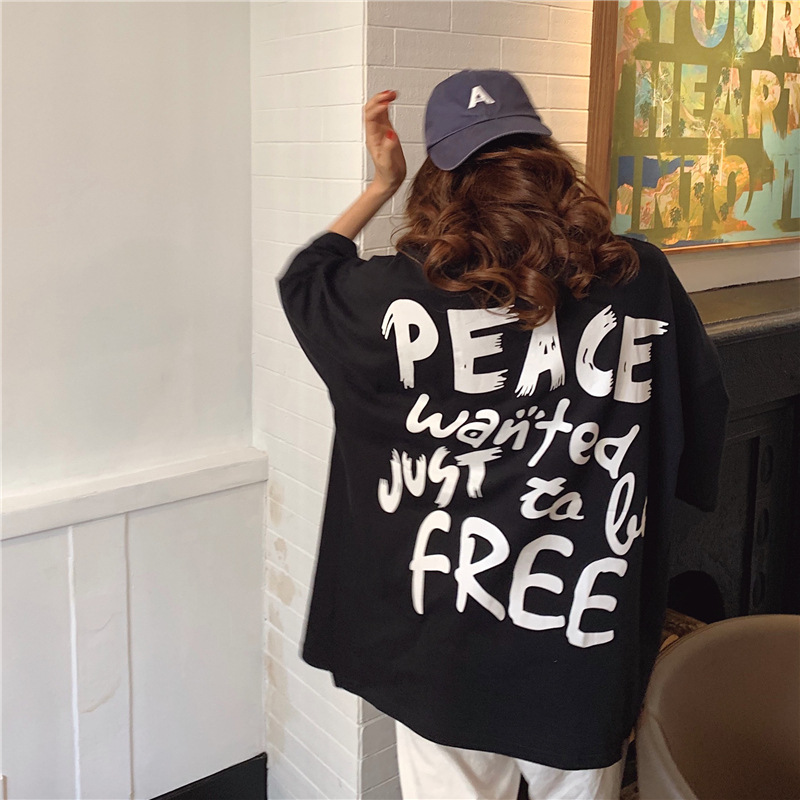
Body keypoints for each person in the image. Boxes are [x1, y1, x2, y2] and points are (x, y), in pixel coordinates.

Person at [278, 69, 729, 800]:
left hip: (439, 647)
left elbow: (306, 277)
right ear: (547, 161)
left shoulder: (391, 296)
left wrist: (381, 184)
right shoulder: (637, 276)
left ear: (438, 181)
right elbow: (701, 406)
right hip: (584, 640)